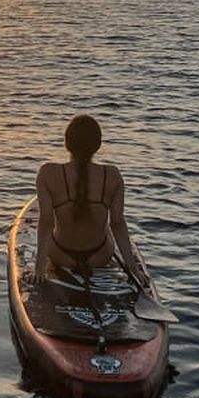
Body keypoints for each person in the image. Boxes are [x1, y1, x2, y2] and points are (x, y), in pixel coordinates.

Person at [33, 114, 147, 285]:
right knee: (107, 227)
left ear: (66, 143)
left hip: (60, 255)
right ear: (98, 145)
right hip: (99, 257)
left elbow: (46, 221)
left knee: (52, 222)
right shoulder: (113, 175)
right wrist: (133, 268)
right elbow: (118, 224)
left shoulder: (47, 173)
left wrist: (39, 269)